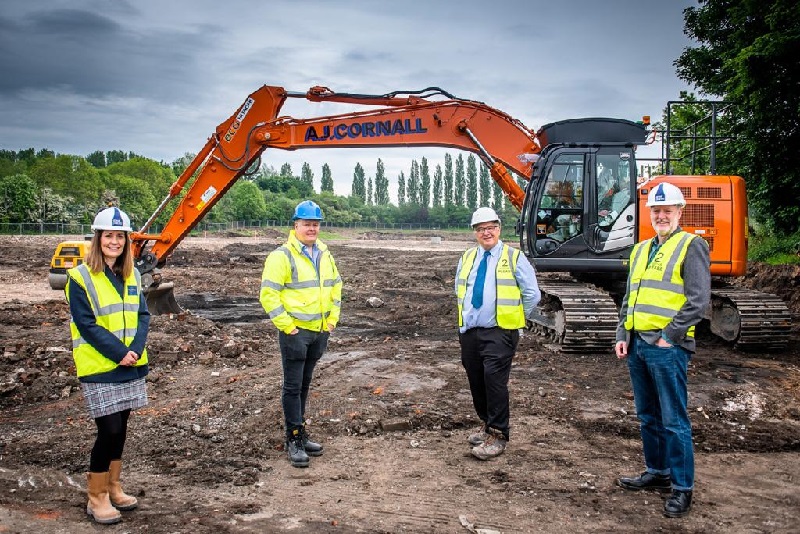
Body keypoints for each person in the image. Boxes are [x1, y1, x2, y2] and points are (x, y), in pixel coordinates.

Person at [614, 182, 711, 518]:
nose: (661, 215)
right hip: (638, 343)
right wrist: (622, 333)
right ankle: (657, 472)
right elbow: (631, 297)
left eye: (667, 210)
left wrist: (670, 335)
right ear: (649, 214)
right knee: (647, 416)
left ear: (679, 212)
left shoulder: (691, 245)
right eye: (655, 211)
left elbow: (699, 300)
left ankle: (682, 488)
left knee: (674, 420)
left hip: (667, 346)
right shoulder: (641, 249)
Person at [65, 206, 150, 525]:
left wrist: (136, 348)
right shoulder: (79, 277)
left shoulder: (133, 274)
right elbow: (86, 324)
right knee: (109, 428)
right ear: (98, 238)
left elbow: (143, 314)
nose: (114, 242)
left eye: (120, 236)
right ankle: (96, 496)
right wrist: (119, 352)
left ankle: (114, 486)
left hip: (130, 362)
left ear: (127, 241)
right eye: (109, 236)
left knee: (121, 428)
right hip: (100, 365)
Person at [260, 200, 343, 468]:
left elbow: (336, 288)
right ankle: (293, 438)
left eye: (315, 224)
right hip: (295, 333)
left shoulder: (325, 254)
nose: (311, 228)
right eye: (307, 224)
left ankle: (301, 433)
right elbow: (268, 295)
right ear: (296, 225)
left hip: (319, 332)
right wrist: (288, 326)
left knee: (305, 385)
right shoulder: (281, 257)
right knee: (293, 387)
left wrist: (331, 322)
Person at [455, 207, 541, 460]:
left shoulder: (514, 257)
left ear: (499, 229)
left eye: (491, 227)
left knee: (494, 380)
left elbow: (532, 294)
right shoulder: (468, 257)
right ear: (475, 233)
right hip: (470, 332)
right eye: (481, 229)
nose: (486, 232)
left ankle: (499, 433)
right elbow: (460, 291)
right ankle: (486, 425)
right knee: (476, 380)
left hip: (500, 331)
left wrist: (514, 317)